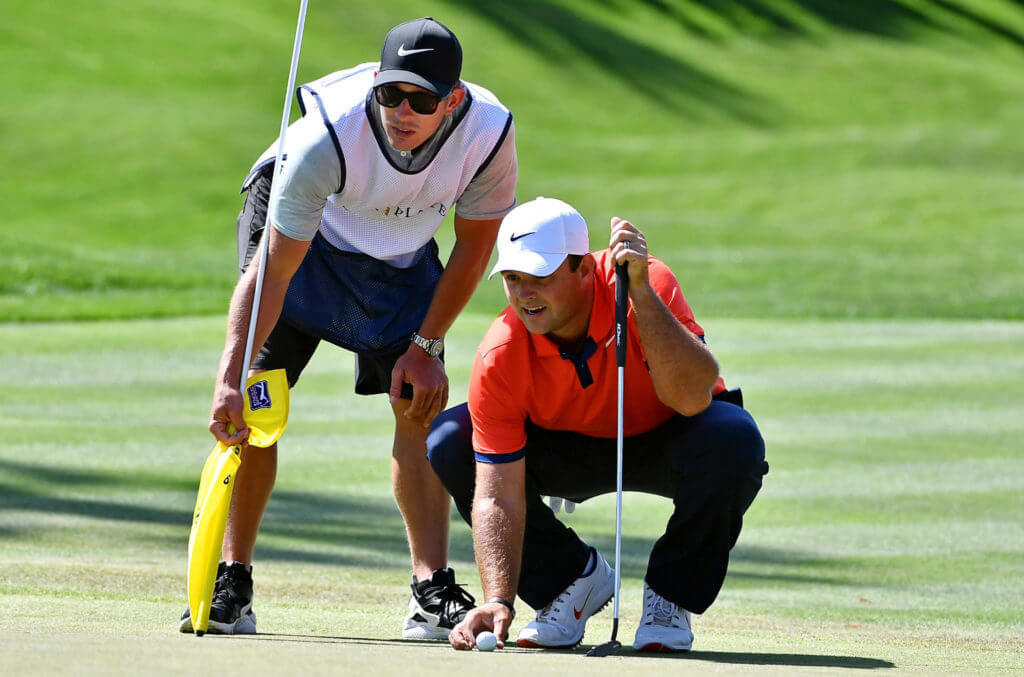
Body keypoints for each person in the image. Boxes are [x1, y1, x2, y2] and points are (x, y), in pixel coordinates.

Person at [179, 17, 517, 639]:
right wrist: (230, 378)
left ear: (454, 99)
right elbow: (270, 275)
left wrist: (426, 346)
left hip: (400, 252)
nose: (402, 110)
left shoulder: (488, 135)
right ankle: (234, 581)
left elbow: (473, 251)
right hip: (303, 240)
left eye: (421, 98)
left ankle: (429, 588)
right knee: (259, 404)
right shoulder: (324, 140)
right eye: (391, 93)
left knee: (419, 402)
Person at [426, 197, 768, 652]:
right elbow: (495, 494)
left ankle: (670, 595)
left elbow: (690, 398)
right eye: (512, 278)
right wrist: (498, 596)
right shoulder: (500, 353)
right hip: (563, 447)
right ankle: (568, 583)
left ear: (585, 269)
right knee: (452, 439)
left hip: (665, 434)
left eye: (541, 277)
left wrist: (642, 296)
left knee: (735, 439)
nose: (525, 293)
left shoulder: (646, 283)